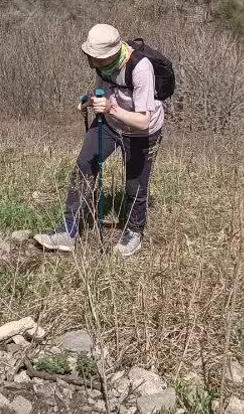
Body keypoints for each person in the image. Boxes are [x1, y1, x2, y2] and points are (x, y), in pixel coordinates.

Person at [35, 24, 164, 258]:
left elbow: (143, 121)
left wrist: (111, 109)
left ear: (112, 54)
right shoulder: (101, 64)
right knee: (84, 167)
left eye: (97, 57)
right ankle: (67, 231)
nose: (92, 61)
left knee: (135, 185)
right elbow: (101, 90)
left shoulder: (140, 68)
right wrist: (90, 101)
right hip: (110, 123)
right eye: (91, 56)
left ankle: (134, 233)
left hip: (140, 131)